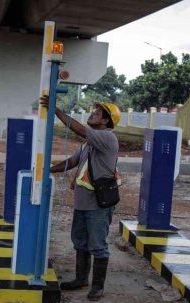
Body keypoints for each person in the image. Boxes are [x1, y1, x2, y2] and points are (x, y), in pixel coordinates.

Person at [40, 95, 121, 301]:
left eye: (96, 113)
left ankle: (97, 287)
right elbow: (72, 161)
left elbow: (78, 129)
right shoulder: (87, 144)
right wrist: (46, 170)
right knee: (80, 242)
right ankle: (81, 279)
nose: (92, 114)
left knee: (97, 245)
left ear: (105, 121)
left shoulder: (107, 137)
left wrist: (55, 110)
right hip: (82, 202)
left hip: (98, 204)